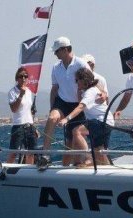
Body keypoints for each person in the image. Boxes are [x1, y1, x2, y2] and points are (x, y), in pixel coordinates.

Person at [39, 37, 90, 168]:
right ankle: (45, 155)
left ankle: (86, 161)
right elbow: (54, 88)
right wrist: (52, 107)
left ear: (65, 49)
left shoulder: (81, 64)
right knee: (51, 118)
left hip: (77, 105)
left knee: (71, 142)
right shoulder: (56, 67)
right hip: (61, 102)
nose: (55, 54)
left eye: (56, 51)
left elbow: (91, 83)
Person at [58, 68, 114, 166]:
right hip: (103, 122)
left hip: (101, 121)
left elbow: (81, 107)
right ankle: (104, 169)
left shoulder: (90, 92)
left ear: (84, 79)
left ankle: (88, 158)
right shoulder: (89, 91)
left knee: (77, 131)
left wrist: (66, 119)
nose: (76, 83)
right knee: (98, 150)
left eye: (77, 80)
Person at [7, 67, 37, 164]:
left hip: (29, 125)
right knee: (14, 152)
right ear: (17, 78)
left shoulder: (29, 92)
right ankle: (6, 170)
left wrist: (34, 126)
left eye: (25, 76)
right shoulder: (12, 92)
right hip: (18, 125)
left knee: (31, 152)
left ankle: (29, 173)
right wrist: (20, 95)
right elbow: (14, 109)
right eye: (21, 76)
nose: (23, 78)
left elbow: (29, 111)